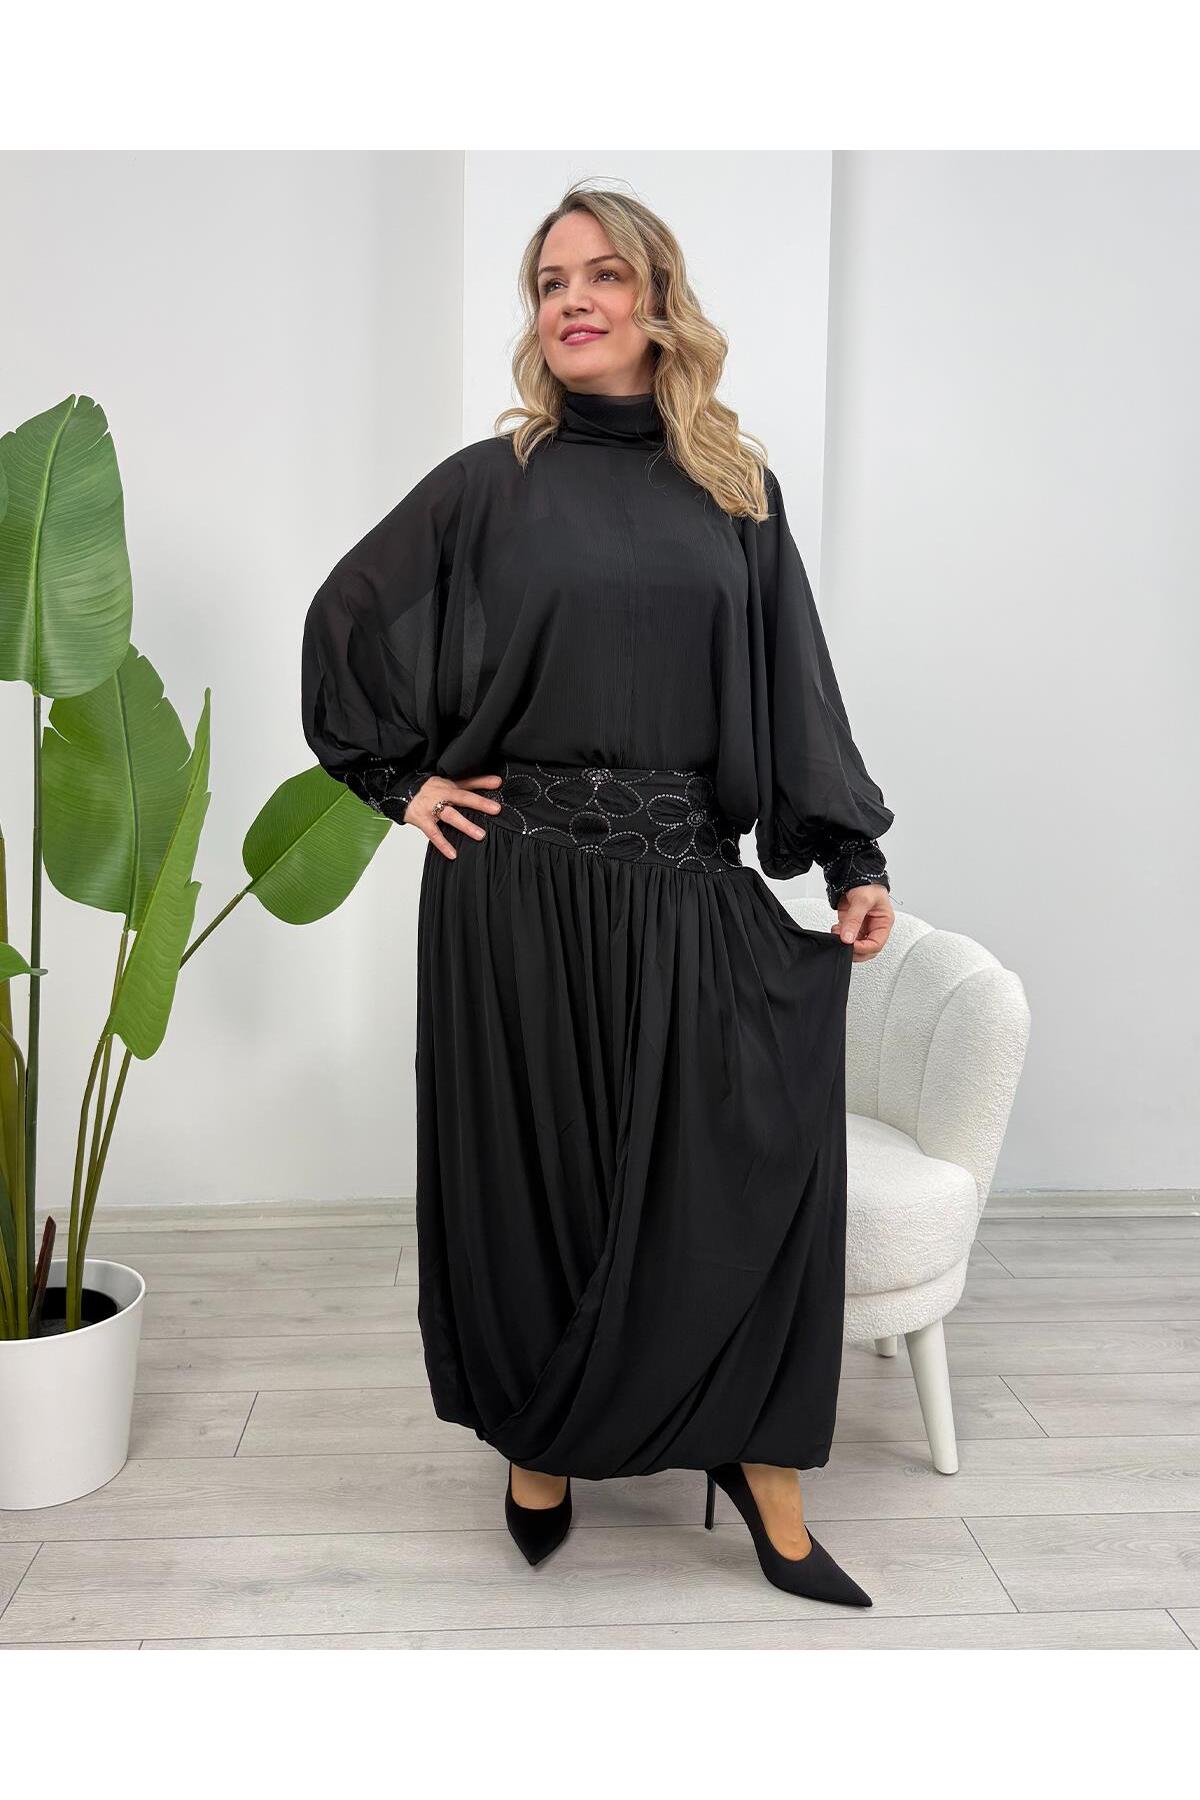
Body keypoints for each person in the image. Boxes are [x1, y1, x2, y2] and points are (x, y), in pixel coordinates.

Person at [300, 181, 895, 1607]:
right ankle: (541, 1446)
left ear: (657, 299)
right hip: (515, 887)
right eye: (550, 280)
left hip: (683, 878)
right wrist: (400, 782)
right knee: (532, 1182)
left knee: (743, 1162)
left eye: (602, 274)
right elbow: (349, 616)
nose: (572, 299)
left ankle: (762, 1467)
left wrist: (851, 857)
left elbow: (795, 684)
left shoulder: (735, 489)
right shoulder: (491, 481)